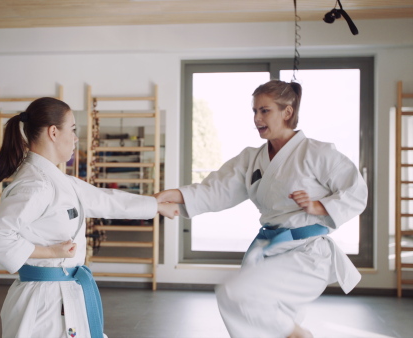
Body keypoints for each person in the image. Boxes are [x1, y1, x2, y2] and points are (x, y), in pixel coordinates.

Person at [155, 80, 367, 338]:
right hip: (271, 251)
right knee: (261, 319)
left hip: (308, 254)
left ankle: (299, 335)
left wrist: (319, 205)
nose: (256, 118)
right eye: (254, 111)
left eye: (264, 110)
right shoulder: (251, 158)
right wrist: (174, 195)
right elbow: (216, 190)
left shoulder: (317, 153)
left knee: (237, 294)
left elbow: (356, 192)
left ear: (287, 112)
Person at [0, 97, 178, 338]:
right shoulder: (36, 185)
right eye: (72, 129)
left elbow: (107, 200)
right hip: (43, 302)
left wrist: (155, 204)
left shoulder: (57, 181)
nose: (75, 138)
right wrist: (50, 252)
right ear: (53, 132)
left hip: (62, 293)